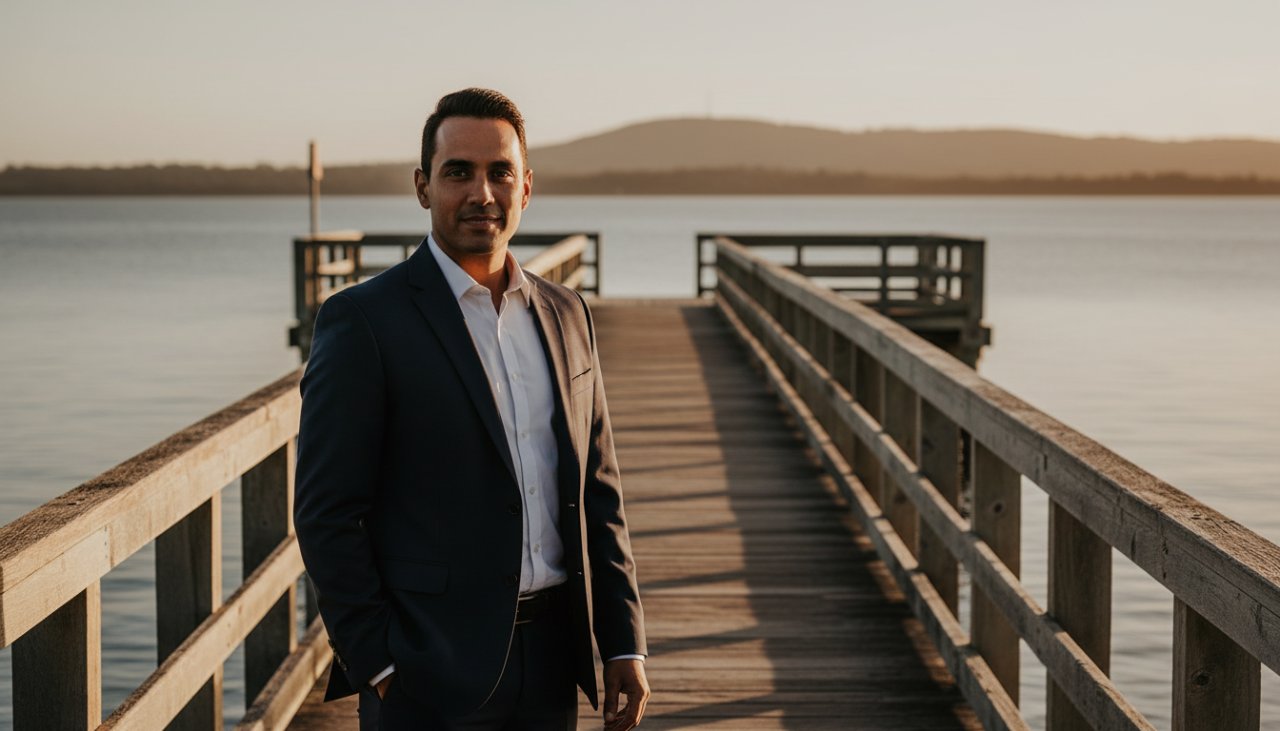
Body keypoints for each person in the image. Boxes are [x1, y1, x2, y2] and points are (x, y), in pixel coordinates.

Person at [294, 87, 649, 730]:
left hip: (552, 661)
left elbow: (599, 489)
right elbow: (325, 512)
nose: (482, 192)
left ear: (527, 186)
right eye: (458, 171)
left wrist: (622, 640)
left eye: (499, 172)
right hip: (427, 670)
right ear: (424, 187)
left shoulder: (568, 314)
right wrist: (376, 661)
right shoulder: (364, 322)